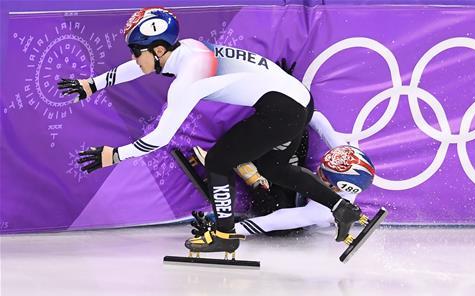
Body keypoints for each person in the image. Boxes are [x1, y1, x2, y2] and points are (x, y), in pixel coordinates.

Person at [57, 6, 365, 258]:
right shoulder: (188, 47)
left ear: (159, 49)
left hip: (283, 110)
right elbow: (140, 67)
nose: (133, 59)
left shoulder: (188, 81)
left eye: (136, 52)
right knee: (273, 167)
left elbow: (159, 138)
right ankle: (341, 208)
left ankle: (223, 235)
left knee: (218, 160)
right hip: (297, 101)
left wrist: (115, 155)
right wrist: (93, 84)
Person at [192, 145, 376, 237]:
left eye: (324, 176)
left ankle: (255, 179)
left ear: (339, 188)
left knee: (281, 226)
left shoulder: (321, 212)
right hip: (296, 182)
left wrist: (227, 231)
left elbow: (274, 221)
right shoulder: (345, 157)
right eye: (321, 168)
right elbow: (318, 119)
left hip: (289, 207)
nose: (319, 172)